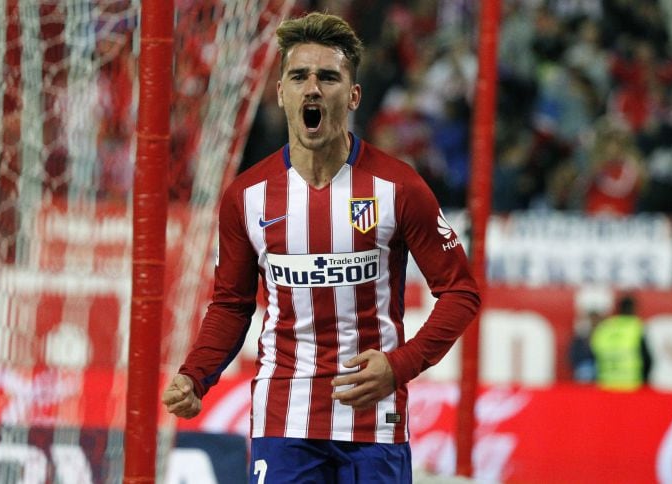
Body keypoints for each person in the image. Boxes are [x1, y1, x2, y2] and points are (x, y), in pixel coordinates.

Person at [162, 12, 480, 483]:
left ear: (352, 96)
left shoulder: (399, 186)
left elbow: (461, 292)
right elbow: (231, 305)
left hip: (374, 419)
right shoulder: (246, 197)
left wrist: (399, 366)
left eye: (328, 77)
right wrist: (195, 375)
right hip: (283, 416)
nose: (312, 88)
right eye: (299, 76)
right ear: (281, 93)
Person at [590, 293, 653, 391]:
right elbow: (647, 359)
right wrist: (644, 383)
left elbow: (593, 356)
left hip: (606, 385)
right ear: (634, 309)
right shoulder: (635, 327)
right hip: (631, 385)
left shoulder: (605, 328)